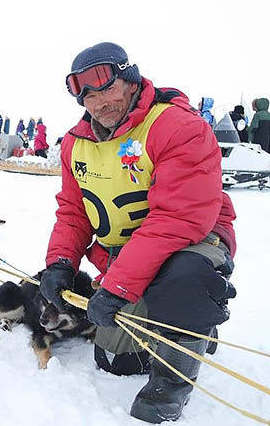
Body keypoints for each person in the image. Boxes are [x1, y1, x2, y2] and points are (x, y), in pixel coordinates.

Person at [39, 42, 236, 424]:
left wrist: (117, 287)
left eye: (107, 89)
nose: (99, 103)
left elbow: (177, 219)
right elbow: (73, 211)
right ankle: (178, 327)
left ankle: (175, 377)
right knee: (119, 362)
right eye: (88, 96)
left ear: (130, 82)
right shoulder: (75, 144)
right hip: (127, 255)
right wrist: (60, 263)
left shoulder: (178, 127)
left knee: (183, 282)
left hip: (192, 242)